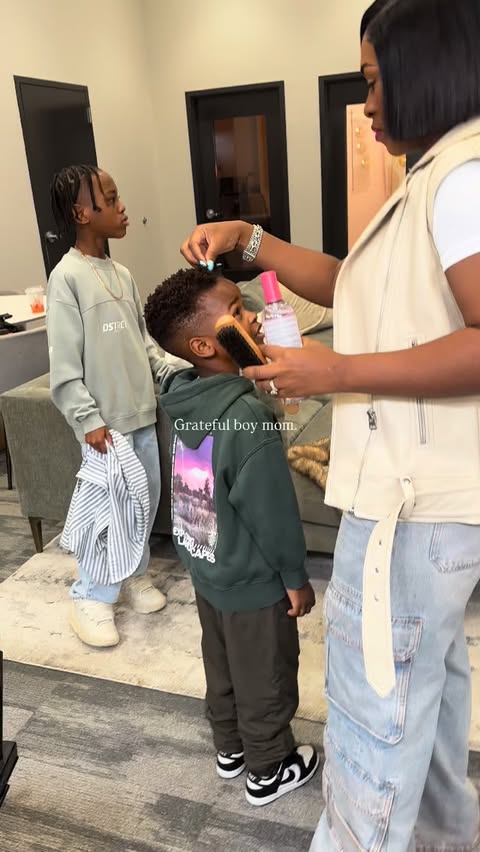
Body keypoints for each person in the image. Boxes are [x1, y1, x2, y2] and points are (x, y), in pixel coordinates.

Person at [180, 0, 480, 846]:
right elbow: (350, 279)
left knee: (369, 731)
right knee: (423, 718)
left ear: (429, 70)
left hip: (409, 514)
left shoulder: (461, 180)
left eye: (376, 81)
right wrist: (252, 240)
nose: (369, 104)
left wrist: (336, 371)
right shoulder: (436, 177)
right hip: (421, 510)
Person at [144, 266, 319, 806]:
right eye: (239, 313)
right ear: (204, 345)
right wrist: (295, 577)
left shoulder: (185, 399)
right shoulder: (246, 416)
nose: (255, 319)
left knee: (221, 664)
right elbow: (273, 513)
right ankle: (269, 768)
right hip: (253, 581)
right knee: (266, 673)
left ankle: (231, 748)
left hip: (207, 565)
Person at [47, 164, 177, 648]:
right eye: (112, 198)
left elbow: (143, 344)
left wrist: (173, 371)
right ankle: (91, 596)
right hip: (104, 428)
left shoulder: (122, 274)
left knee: (142, 504)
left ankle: (133, 574)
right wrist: (88, 419)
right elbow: (64, 366)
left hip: (141, 414)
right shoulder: (67, 278)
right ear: (83, 212)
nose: (123, 208)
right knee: (109, 513)